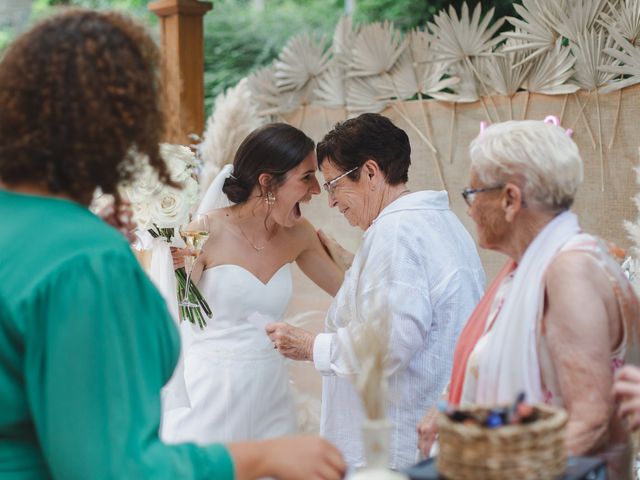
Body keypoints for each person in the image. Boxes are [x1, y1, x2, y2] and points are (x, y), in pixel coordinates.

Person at [0, 9, 346, 480]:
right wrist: (261, 458)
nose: (315, 192)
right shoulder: (84, 258)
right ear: (122, 124)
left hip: (264, 387)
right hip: (212, 399)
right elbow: (106, 467)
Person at [418, 119, 640, 479]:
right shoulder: (531, 266)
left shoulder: (569, 271)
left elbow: (591, 422)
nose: (470, 208)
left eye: (473, 193)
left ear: (510, 199)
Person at [266, 113, 485, 469]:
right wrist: (359, 267)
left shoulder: (395, 234)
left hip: (397, 442)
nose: (332, 201)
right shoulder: (436, 221)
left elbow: (389, 343)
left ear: (370, 172)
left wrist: (310, 346)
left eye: (334, 184)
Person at [162, 123, 344, 444]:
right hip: (210, 396)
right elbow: (170, 312)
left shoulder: (299, 234)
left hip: (271, 398)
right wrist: (167, 255)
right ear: (267, 182)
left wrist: (356, 261)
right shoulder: (204, 231)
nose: (317, 189)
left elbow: (349, 295)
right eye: (306, 177)